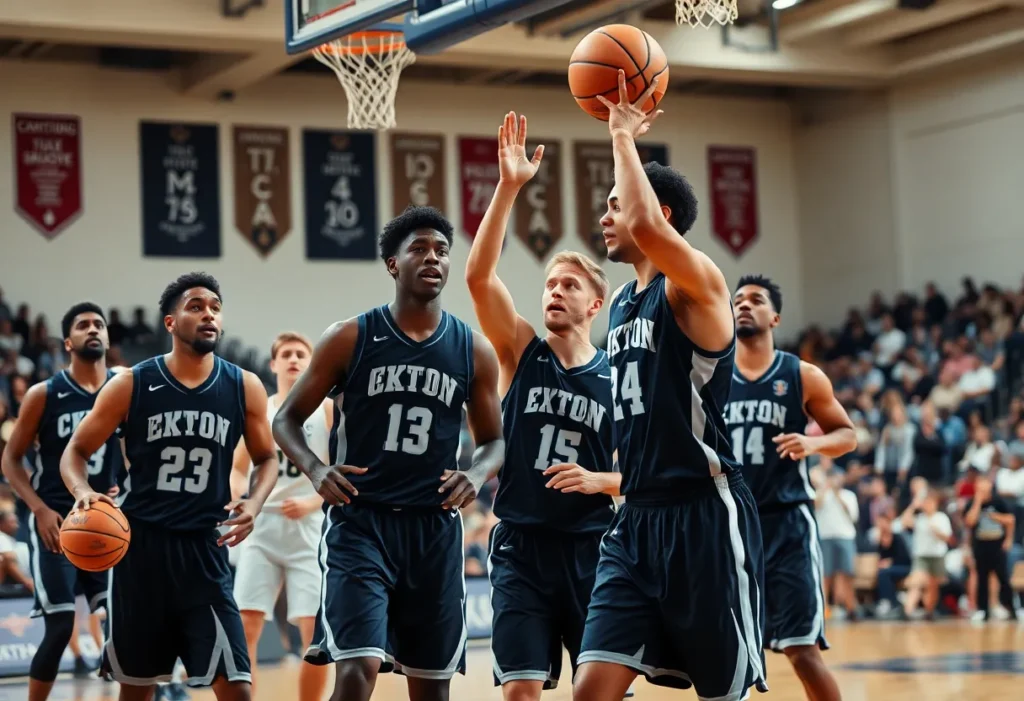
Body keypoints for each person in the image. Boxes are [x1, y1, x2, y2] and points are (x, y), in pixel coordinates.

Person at [572, 71, 767, 701]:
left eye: (614, 204)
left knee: (722, 695)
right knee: (591, 688)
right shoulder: (624, 303)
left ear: (660, 214)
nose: (604, 216)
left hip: (703, 513)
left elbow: (649, 229)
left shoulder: (698, 285)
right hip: (635, 520)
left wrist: (623, 137)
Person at [272, 205, 505, 701]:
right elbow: (284, 419)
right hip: (361, 524)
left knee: (432, 687)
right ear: (392, 264)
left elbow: (495, 440)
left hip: (434, 529)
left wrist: (477, 472)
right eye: (418, 248)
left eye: (441, 250)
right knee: (358, 671)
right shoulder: (349, 337)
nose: (432, 258)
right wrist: (315, 469)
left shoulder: (473, 349)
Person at [59, 272, 279, 701]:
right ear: (171, 322)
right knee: (137, 691)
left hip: (205, 552)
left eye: (215, 307)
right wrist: (82, 492)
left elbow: (267, 457)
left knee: (237, 688)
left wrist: (255, 501)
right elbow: (75, 452)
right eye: (196, 306)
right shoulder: (130, 384)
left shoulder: (243, 385)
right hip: (141, 552)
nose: (209, 314)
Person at [464, 111, 620, 700]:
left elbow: (644, 475)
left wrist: (598, 479)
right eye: (551, 284)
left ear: (595, 304)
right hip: (522, 547)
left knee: (598, 692)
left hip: (595, 550)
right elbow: (480, 278)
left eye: (569, 286)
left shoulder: (618, 376)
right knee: (520, 692)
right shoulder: (522, 350)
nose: (555, 292)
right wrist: (508, 187)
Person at [728, 275, 856, 701]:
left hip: (787, 527)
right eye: (738, 300)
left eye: (756, 300)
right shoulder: (710, 374)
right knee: (730, 654)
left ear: (775, 317)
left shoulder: (802, 375)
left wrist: (813, 442)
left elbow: (848, 435)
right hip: (731, 527)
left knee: (802, 651)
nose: (744, 305)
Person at [1, 303, 122, 701]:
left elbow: (135, 453)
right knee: (60, 625)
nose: (93, 330)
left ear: (107, 337)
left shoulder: (123, 389)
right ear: (67, 342)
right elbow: (11, 459)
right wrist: (37, 508)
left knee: (122, 621)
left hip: (106, 522)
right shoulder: (44, 393)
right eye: (83, 325)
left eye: (99, 325)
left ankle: (149, 690)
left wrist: (127, 488)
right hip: (58, 523)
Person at [231, 332, 332, 701]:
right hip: (263, 526)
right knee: (245, 627)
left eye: (300, 354)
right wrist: (239, 495)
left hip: (309, 528)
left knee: (313, 634)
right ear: (273, 365)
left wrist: (317, 502)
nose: (293, 359)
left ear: (311, 362)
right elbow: (239, 468)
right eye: (285, 354)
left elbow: (341, 468)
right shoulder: (261, 410)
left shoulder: (326, 410)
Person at [963, 476, 1017, 621]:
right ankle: (983, 610)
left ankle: (1011, 608)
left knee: (1003, 578)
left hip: (997, 545)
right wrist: (978, 502)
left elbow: (1010, 520)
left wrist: (1008, 538)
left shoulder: (998, 502)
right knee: (981, 578)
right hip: (980, 545)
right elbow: (969, 522)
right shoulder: (971, 503)